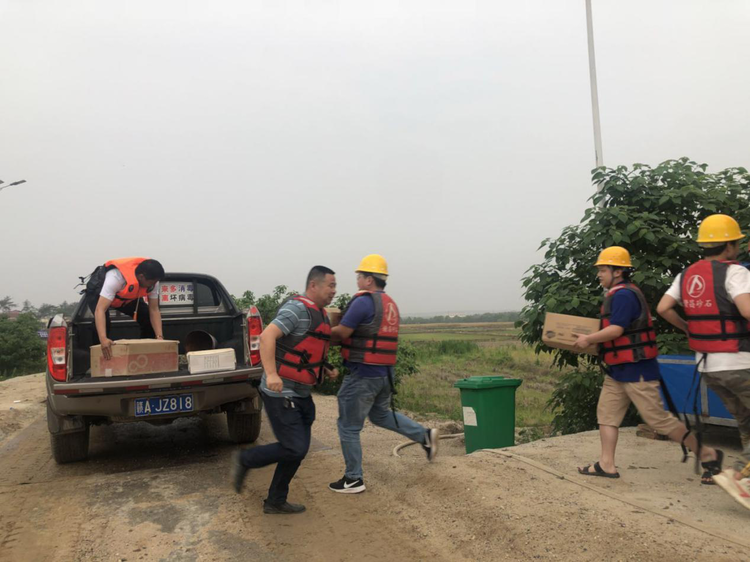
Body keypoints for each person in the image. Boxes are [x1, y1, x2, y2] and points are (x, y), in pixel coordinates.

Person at [573, 246, 721, 481]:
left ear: (618, 271)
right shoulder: (616, 294)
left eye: (602, 269)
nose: (599, 274)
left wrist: (588, 339)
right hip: (617, 370)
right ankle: (606, 464)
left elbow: (616, 329)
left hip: (637, 369)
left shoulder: (624, 295)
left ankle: (707, 454)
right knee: (607, 415)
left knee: (658, 420)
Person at [656, 214, 750, 505]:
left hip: (708, 366)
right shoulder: (735, 273)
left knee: (746, 420)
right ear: (730, 245)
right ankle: (739, 473)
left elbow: (663, 308)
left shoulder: (686, 275)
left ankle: (746, 477)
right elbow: (747, 311)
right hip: (738, 362)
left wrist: (689, 328)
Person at [231, 266, 338, 514]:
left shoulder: (321, 315)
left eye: (335, 286)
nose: (334, 291)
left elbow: (306, 351)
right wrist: (271, 374)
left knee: (297, 450)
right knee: (294, 447)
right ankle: (245, 460)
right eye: (330, 285)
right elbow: (267, 336)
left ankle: (275, 500)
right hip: (281, 392)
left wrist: (326, 368)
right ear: (314, 285)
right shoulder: (297, 309)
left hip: (302, 393)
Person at [328, 254, 438, 494]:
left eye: (360, 276)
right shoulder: (390, 304)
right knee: (380, 415)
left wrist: (320, 332)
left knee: (348, 426)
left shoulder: (363, 302)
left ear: (369, 279)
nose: (357, 280)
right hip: (385, 373)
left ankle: (353, 479)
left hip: (363, 373)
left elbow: (343, 333)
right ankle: (425, 436)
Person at [88, 257, 166, 360]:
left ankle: (145, 354)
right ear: (141, 277)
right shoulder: (115, 278)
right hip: (99, 295)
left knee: (146, 315)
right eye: (152, 282)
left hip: (125, 298)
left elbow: (154, 309)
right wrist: (103, 339)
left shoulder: (153, 281)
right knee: (103, 324)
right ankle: (98, 358)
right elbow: (100, 310)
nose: (154, 285)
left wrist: (159, 336)